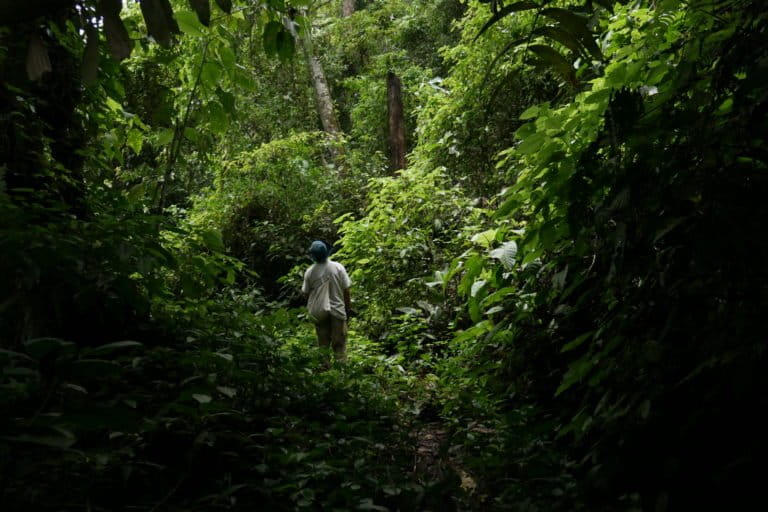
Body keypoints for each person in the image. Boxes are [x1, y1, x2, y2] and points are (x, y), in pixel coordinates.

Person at [302, 240, 352, 361]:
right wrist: (347, 309)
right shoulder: (338, 267)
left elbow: (305, 294)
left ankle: (324, 368)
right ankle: (341, 368)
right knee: (339, 344)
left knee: (323, 345)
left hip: (319, 312)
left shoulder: (310, 272)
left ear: (313, 256)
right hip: (337, 310)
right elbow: (346, 291)